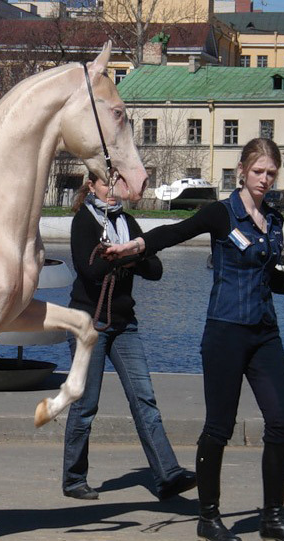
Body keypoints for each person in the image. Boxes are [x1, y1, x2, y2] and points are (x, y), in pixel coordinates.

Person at [104, 138, 284, 541]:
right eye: (258, 172)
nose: (265, 179)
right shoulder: (221, 213)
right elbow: (176, 231)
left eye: (271, 173)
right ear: (242, 171)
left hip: (264, 332)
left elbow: (272, 280)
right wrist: (137, 246)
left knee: (283, 422)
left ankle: (272, 518)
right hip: (225, 332)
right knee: (220, 426)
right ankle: (209, 516)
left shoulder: (274, 218)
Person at [62, 171, 197, 502]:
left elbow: (156, 270)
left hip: (125, 324)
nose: (112, 190)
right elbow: (89, 271)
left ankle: (167, 475)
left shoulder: (128, 223)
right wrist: (122, 258)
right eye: (105, 183)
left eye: (116, 184)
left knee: (144, 399)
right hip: (88, 322)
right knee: (85, 403)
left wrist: (126, 254)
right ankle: (74, 478)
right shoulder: (83, 221)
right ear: (91, 186)